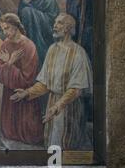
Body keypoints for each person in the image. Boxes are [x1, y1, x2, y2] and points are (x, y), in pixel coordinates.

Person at [10, 13, 92, 150]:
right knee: (52, 146)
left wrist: (58, 106)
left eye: (59, 23)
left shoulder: (79, 53)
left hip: (69, 107)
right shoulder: (52, 49)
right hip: (52, 104)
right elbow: (45, 83)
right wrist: (27, 92)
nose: (54, 25)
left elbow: (76, 89)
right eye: (55, 22)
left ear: (67, 28)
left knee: (67, 146)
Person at [0, 13, 44, 145]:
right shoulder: (5, 44)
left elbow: (27, 79)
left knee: (28, 134)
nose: (4, 32)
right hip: (9, 94)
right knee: (9, 132)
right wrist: (10, 62)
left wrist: (9, 65)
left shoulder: (29, 46)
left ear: (16, 27)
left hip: (24, 94)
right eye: (2, 29)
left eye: (7, 28)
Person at [14, 0, 60, 68]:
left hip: (48, 32)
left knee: (27, 11)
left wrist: (32, 15)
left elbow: (53, 18)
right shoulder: (23, 2)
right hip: (29, 33)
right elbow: (20, 21)